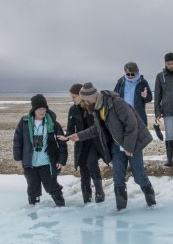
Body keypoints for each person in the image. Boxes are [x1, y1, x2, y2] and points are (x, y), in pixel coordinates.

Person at [65, 83, 155, 211]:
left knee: (139, 177)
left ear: (92, 97)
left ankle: (152, 205)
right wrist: (79, 136)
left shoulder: (116, 103)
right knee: (118, 179)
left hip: (133, 143)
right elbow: (97, 129)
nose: (84, 103)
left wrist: (128, 147)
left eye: (85, 100)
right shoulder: (96, 109)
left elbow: (132, 125)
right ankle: (121, 211)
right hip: (116, 145)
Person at [13, 94, 68, 206]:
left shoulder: (52, 123)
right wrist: (18, 159)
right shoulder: (24, 122)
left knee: (51, 185)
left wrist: (61, 160)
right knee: (32, 187)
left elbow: (62, 143)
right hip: (30, 162)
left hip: (47, 162)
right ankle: (33, 210)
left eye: (44, 109)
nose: (42, 111)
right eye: (39, 109)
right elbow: (17, 141)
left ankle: (61, 207)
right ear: (34, 109)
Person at [65, 83, 105, 203]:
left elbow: (98, 127)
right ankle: (86, 196)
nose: (72, 100)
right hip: (80, 143)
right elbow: (70, 128)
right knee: (83, 168)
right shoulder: (72, 109)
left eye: (74, 97)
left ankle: (99, 191)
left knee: (91, 162)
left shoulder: (92, 107)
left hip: (94, 142)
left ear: (81, 96)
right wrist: (66, 136)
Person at [114, 61, 153, 126]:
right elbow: (114, 95)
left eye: (132, 74)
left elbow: (149, 98)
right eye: (128, 74)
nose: (130, 76)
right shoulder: (121, 82)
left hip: (137, 115)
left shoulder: (143, 82)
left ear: (137, 72)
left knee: (138, 134)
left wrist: (145, 96)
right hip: (123, 114)